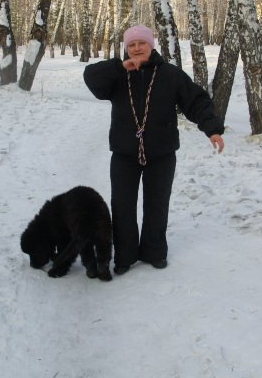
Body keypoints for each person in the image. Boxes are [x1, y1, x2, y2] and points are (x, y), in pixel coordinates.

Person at [83, 25, 225, 275]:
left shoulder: (170, 74)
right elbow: (90, 77)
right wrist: (119, 66)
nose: (137, 48)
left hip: (161, 154)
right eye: (131, 45)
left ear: (152, 45)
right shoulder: (118, 75)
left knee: (157, 204)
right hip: (124, 155)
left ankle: (154, 251)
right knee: (122, 205)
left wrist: (212, 128)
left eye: (141, 43)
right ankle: (125, 255)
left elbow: (196, 101)